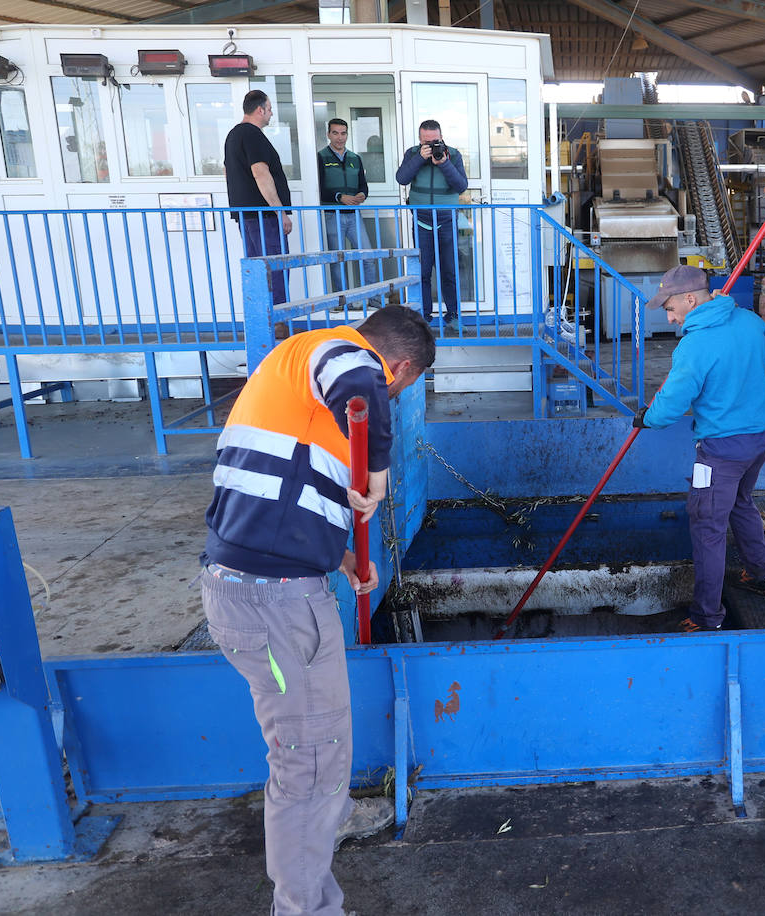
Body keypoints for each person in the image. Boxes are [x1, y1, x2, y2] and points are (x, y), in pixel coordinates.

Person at [200, 305, 436, 915]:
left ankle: (335, 812)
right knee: (307, 763)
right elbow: (359, 383)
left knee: (317, 746)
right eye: (402, 389)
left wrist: (341, 558)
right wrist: (379, 471)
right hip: (275, 604)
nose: (394, 398)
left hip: (270, 585)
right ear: (400, 368)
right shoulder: (339, 355)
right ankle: (305, 908)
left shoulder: (295, 372)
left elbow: (281, 497)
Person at [633, 264, 765, 633]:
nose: (668, 316)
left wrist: (646, 418)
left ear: (690, 298)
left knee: (707, 527)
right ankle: (762, 575)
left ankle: (706, 616)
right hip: (760, 439)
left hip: (721, 451)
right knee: (742, 503)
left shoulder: (694, 346)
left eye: (669, 307)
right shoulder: (746, 320)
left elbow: (668, 409)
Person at [396, 119, 468, 334]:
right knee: (423, 271)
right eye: (426, 142)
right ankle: (424, 317)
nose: (431, 145)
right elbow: (402, 178)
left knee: (449, 270)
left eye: (435, 141)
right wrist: (420, 158)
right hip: (421, 219)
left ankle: (453, 315)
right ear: (420, 140)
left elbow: (461, 186)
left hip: (446, 219)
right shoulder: (412, 153)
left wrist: (443, 163)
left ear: (441, 136)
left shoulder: (453, 155)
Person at [225, 90, 292, 305]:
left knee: (257, 272)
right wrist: (280, 212)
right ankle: (279, 322)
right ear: (260, 109)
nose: (271, 114)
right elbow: (260, 173)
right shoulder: (252, 135)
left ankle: (264, 323)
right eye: (270, 109)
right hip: (265, 218)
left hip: (247, 216)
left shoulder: (233, 136)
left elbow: (228, 172)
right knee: (275, 269)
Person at [317, 118, 381, 301]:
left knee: (367, 256)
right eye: (335, 133)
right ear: (328, 134)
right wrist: (339, 197)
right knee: (338, 261)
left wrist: (361, 195)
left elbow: (364, 186)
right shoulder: (320, 157)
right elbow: (319, 190)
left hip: (354, 215)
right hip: (333, 215)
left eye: (343, 133)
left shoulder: (355, 158)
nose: (339, 137)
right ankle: (343, 302)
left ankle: (373, 298)